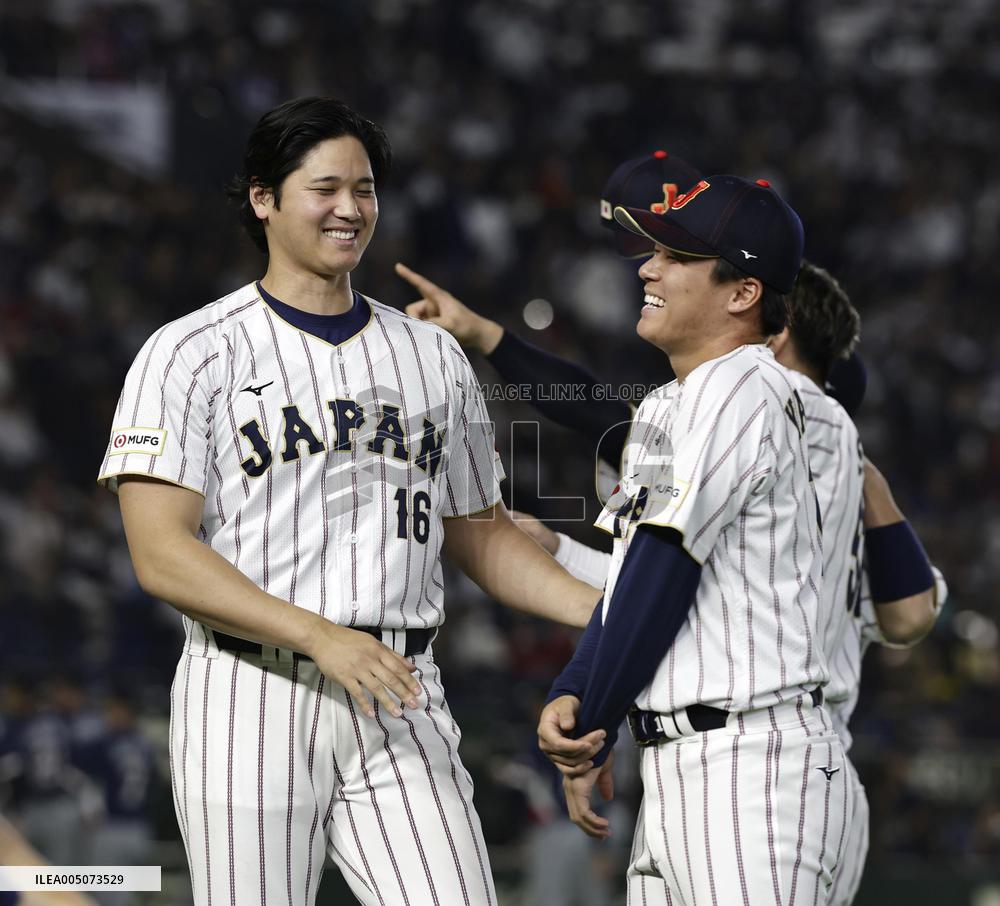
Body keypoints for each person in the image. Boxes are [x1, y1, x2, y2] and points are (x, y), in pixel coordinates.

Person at [96, 96, 601, 906]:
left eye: (364, 189)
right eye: (325, 188)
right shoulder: (190, 352)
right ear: (263, 198)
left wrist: (604, 610)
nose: (351, 208)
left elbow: (483, 534)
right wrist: (317, 636)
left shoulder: (433, 355)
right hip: (252, 689)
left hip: (401, 686)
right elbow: (161, 554)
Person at [536, 175, 851, 903]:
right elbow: (629, 576)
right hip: (679, 767)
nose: (648, 269)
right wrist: (578, 688)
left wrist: (593, 720)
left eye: (676, 256)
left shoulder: (740, 387)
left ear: (743, 292)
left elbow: (661, 568)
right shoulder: (668, 406)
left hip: (755, 767)